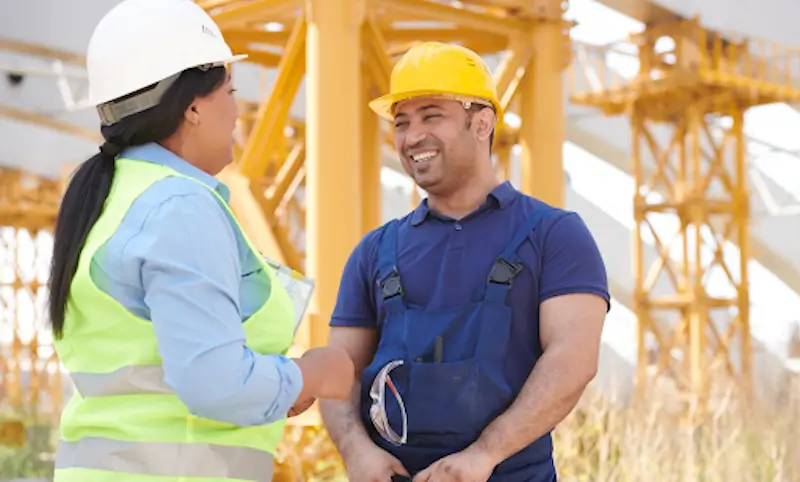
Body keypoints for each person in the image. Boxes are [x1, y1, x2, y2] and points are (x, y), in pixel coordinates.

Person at [47, 1, 354, 481]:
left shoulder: (112, 197)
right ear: (191, 106)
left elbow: (161, 376)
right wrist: (312, 373)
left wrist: (271, 392)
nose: (237, 110)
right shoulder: (179, 207)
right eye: (230, 90)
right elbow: (214, 382)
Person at [319, 42, 610, 482]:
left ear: (482, 122)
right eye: (402, 122)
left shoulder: (554, 235)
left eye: (432, 115)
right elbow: (339, 371)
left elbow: (574, 359)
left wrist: (484, 454)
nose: (412, 136)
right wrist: (357, 451)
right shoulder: (374, 252)